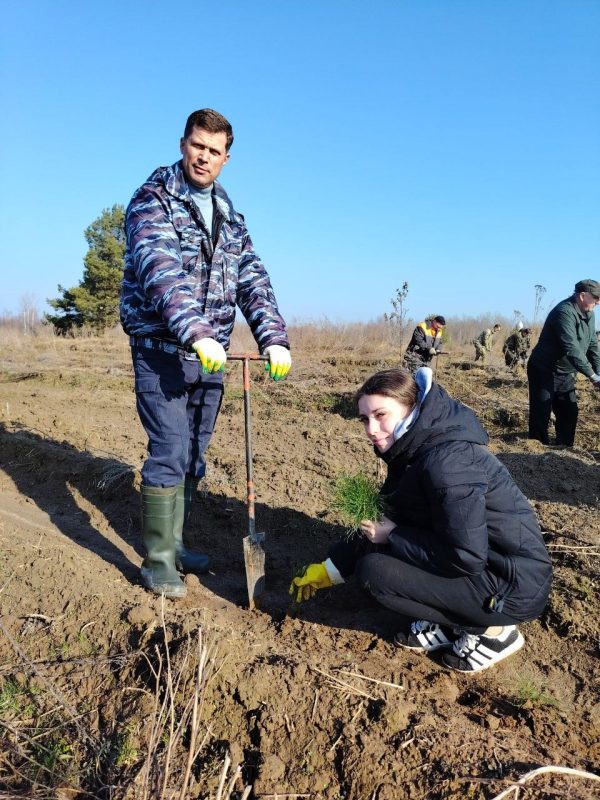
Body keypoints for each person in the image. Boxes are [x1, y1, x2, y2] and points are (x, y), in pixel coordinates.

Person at [120, 108, 292, 599]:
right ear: (183, 144)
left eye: (214, 151)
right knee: (170, 450)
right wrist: (197, 332)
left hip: (211, 356)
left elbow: (253, 280)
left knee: (195, 454)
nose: (204, 157)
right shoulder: (152, 200)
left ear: (226, 159)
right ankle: (157, 562)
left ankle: (176, 544)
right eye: (198, 146)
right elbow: (161, 271)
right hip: (162, 350)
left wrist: (273, 338)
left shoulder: (231, 218)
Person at [290, 367, 552, 673]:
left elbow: (466, 556)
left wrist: (393, 535)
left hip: (511, 585)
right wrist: (329, 569)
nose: (371, 429)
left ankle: (494, 631)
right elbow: (387, 517)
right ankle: (449, 622)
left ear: (411, 408)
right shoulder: (414, 449)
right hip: (481, 565)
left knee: (376, 574)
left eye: (380, 415)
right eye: (364, 419)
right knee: (380, 548)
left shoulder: (447, 464)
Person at [527, 279, 600, 446]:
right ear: (582, 296)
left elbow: (592, 345)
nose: (598, 302)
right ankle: (536, 449)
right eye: (596, 298)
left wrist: (599, 371)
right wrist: (592, 375)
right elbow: (571, 348)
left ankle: (564, 448)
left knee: (569, 411)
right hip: (544, 369)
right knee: (541, 411)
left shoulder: (589, 314)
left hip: (565, 372)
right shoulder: (564, 312)